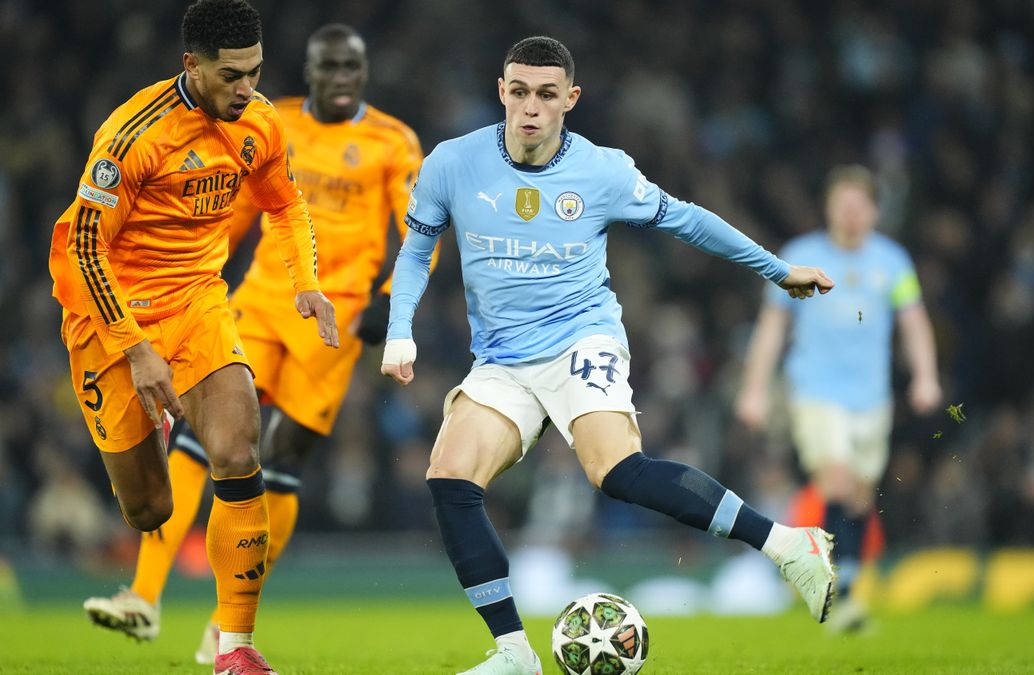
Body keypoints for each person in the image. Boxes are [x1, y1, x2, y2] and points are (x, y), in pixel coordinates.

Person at [379, 36, 839, 674]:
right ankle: (514, 655)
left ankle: (788, 545)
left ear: (571, 99)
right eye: (519, 92)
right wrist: (399, 327)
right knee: (450, 478)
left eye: (546, 95)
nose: (531, 108)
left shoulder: (603, 171)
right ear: (501, 92)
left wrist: (777, 269)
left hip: (580, 338)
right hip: (502, 360)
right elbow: (415, 250)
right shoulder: (452, 163)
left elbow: (688, 220)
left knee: (616, 471)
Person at [80, 23, 426, 663]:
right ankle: (143, 596)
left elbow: (421, 228)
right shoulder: (272, 119)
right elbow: (235, 210)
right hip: (262, 301)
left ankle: (225, 624)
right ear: (311, 71)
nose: (342, 79)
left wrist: (391, 302)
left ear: (365, 72)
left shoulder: (392, 140)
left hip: (336, 318)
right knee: (203, 438)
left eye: (352, 67)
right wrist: (195, 286)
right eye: (330, 67)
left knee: (282, 460)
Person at [49, 1, 339, 673]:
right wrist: (137, 350)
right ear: (192, 65)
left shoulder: (259, 122)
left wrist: (306, 281)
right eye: (232, 75)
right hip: (110, 314)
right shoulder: (132, 136)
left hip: (198, 301)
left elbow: (286, 204)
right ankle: (148, 444)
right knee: (149, 508)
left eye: (256, 71)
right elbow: (86, 248)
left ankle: (234, 647)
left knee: (238, 453)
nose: (247, 88)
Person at [735, 164, 941, 632]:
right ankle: (832, 592)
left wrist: (926, 376)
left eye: (859, 205)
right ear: (828, 208)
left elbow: (913, 320)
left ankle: (845, 587)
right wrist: (755, 389)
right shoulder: (800, 257)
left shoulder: (892, 262)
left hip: (871, 397)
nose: (850, 214)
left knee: (860, 494)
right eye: (842, 204)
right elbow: (772, 325)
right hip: (815, 391)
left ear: (874, 211)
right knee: (838, 481)